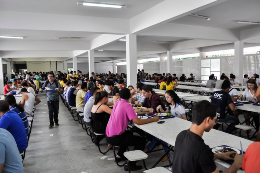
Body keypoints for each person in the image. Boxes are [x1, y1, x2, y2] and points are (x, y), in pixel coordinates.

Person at [171, 100, 244, 173]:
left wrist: (220, 155)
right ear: (207, 120)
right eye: (215, 120)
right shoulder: (203, 150)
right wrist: (236, 165)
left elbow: (198, 159)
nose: (215, 123)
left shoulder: (181, 135)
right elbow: (203, 156)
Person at [106, 88, 159, 171]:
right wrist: (153, 119)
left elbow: (122, 114)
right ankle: (131, 164)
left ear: (119, 96)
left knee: (129, 134)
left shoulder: (118, 102)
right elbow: (137, 121)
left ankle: (119, 156)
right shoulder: (127, 105)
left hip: (109, 134)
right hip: (116, 137)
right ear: (130, 96)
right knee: (141, 141)